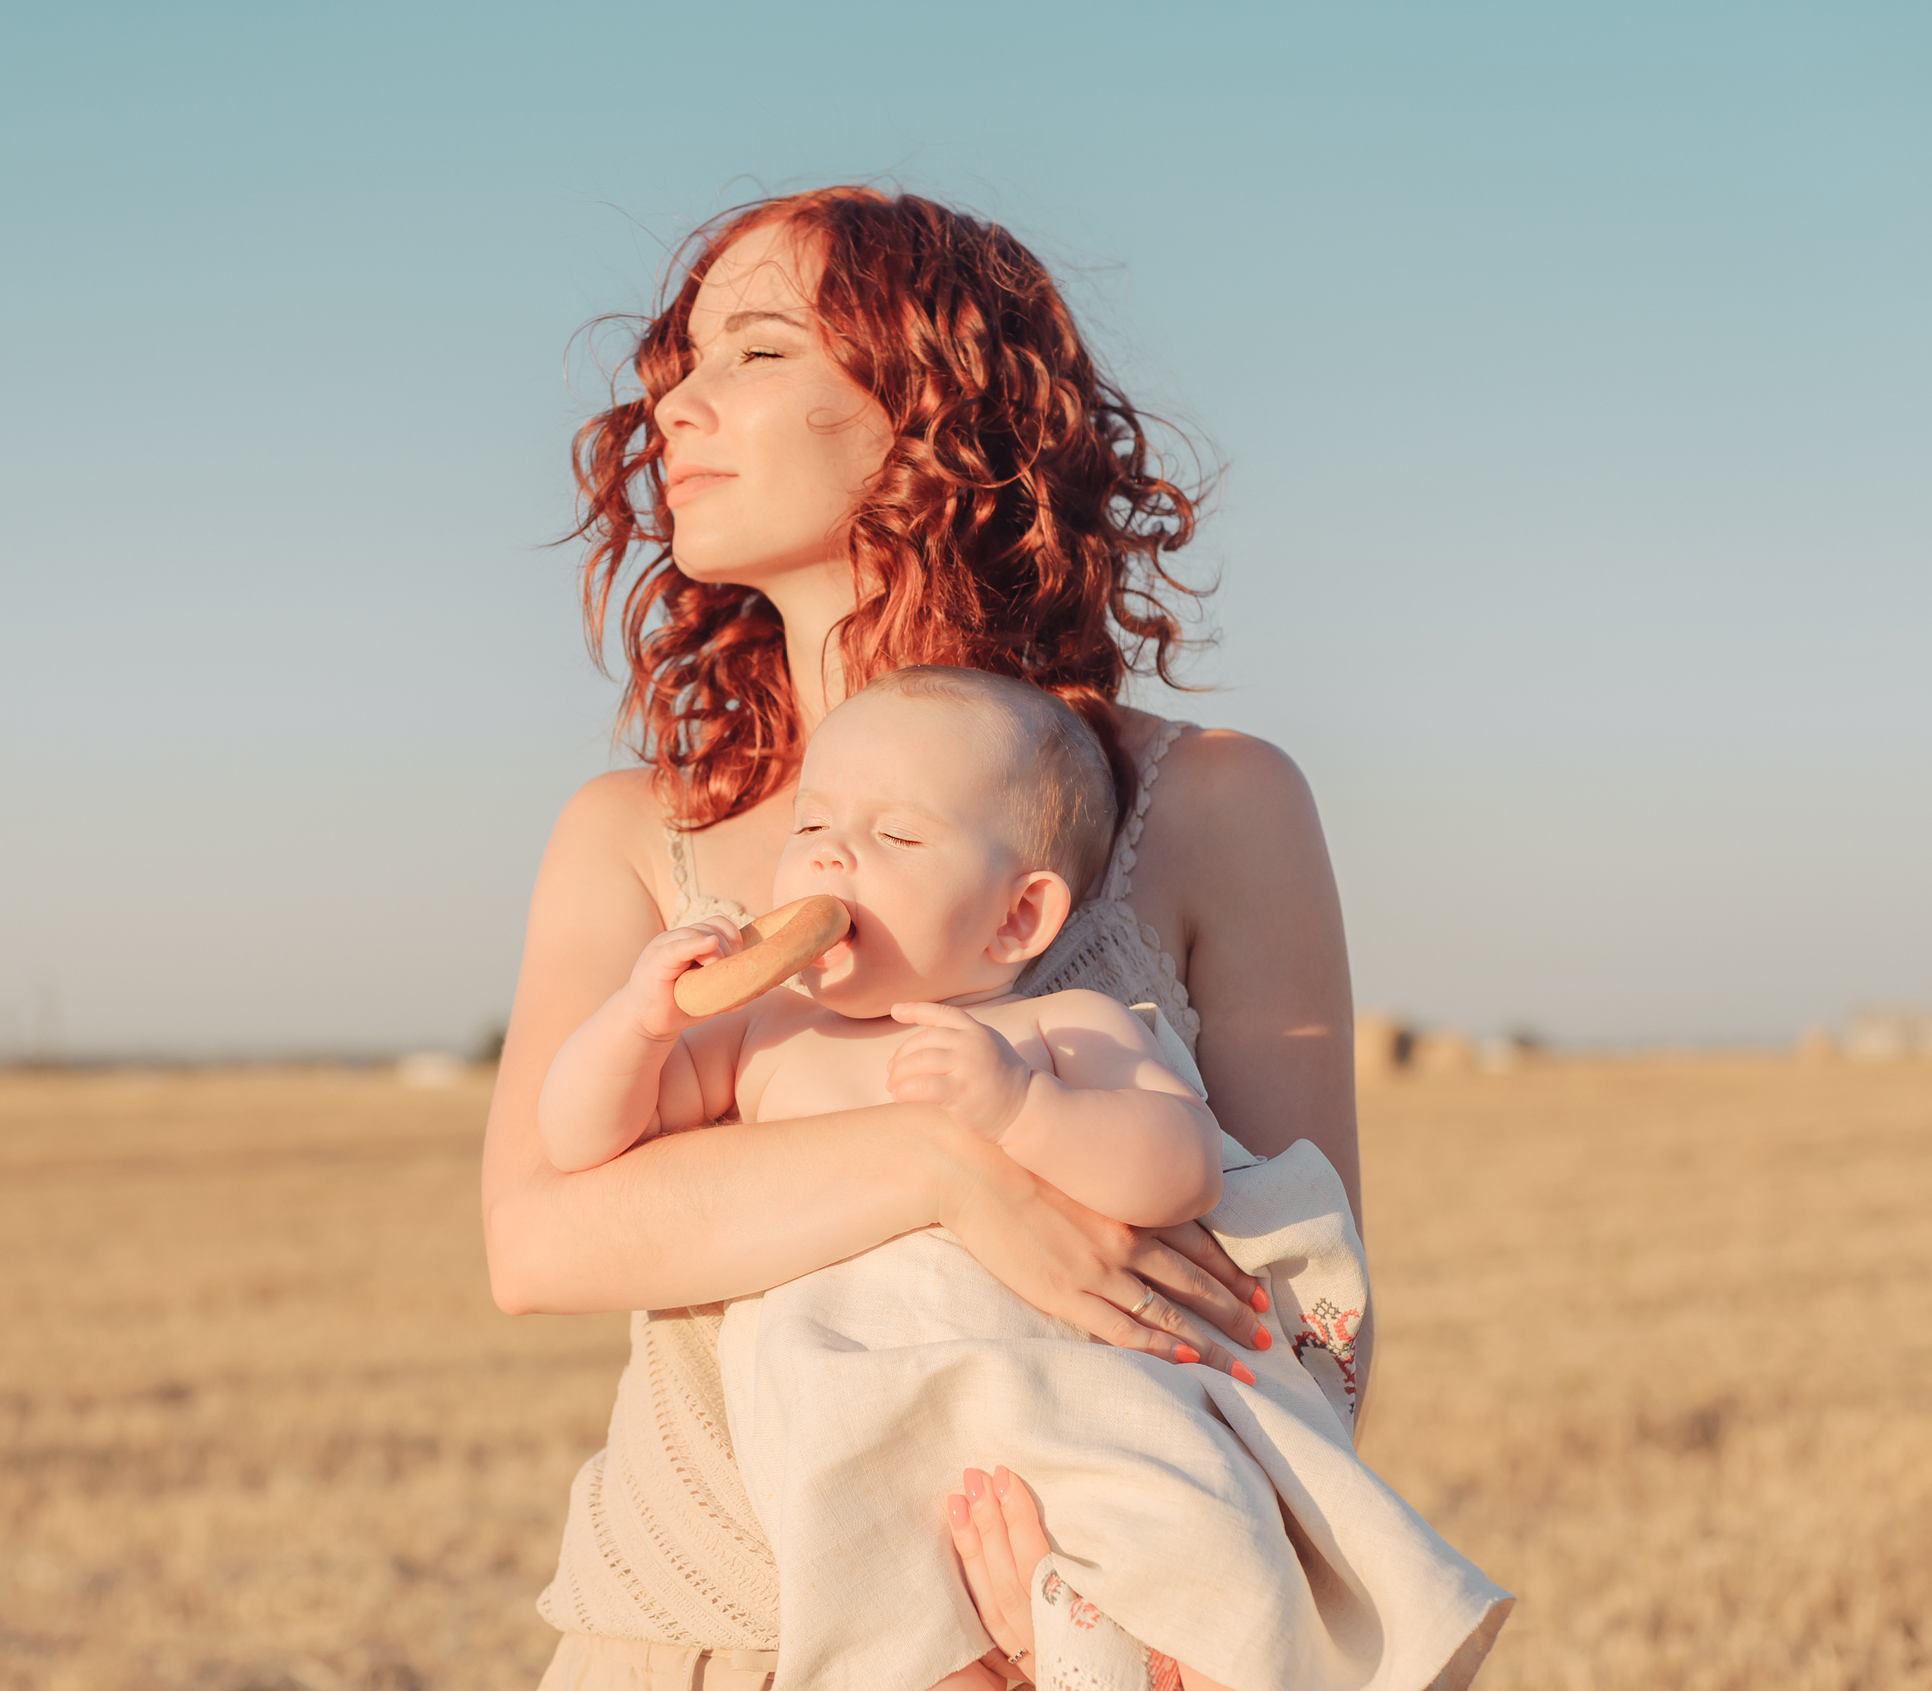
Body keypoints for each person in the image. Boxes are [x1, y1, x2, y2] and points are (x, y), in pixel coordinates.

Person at [481, 186, 1365, 1691]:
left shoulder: (1209, 802)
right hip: (683, 1634)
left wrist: (1133, 1630)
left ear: (933, 406)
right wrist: (952, 1165)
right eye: (678, 363)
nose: (676, 406)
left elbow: (1309, 1303)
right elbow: (538, 1236)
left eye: (752, 352)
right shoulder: (636, 831)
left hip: (1092, 1636)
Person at [536, 667, 1508, 1691]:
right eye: (812, 822)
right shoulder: (762, 1037)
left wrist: (1019, 1108)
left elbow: (1174, 1168)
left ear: (1016, 917)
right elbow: (584, 1137)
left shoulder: (1057, 1026)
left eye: (895, 837)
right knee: (872, 1576)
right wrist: (635, 1025)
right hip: (852, 1410)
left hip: (1045, 1400)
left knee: (1178, 1530)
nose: (828, 852)